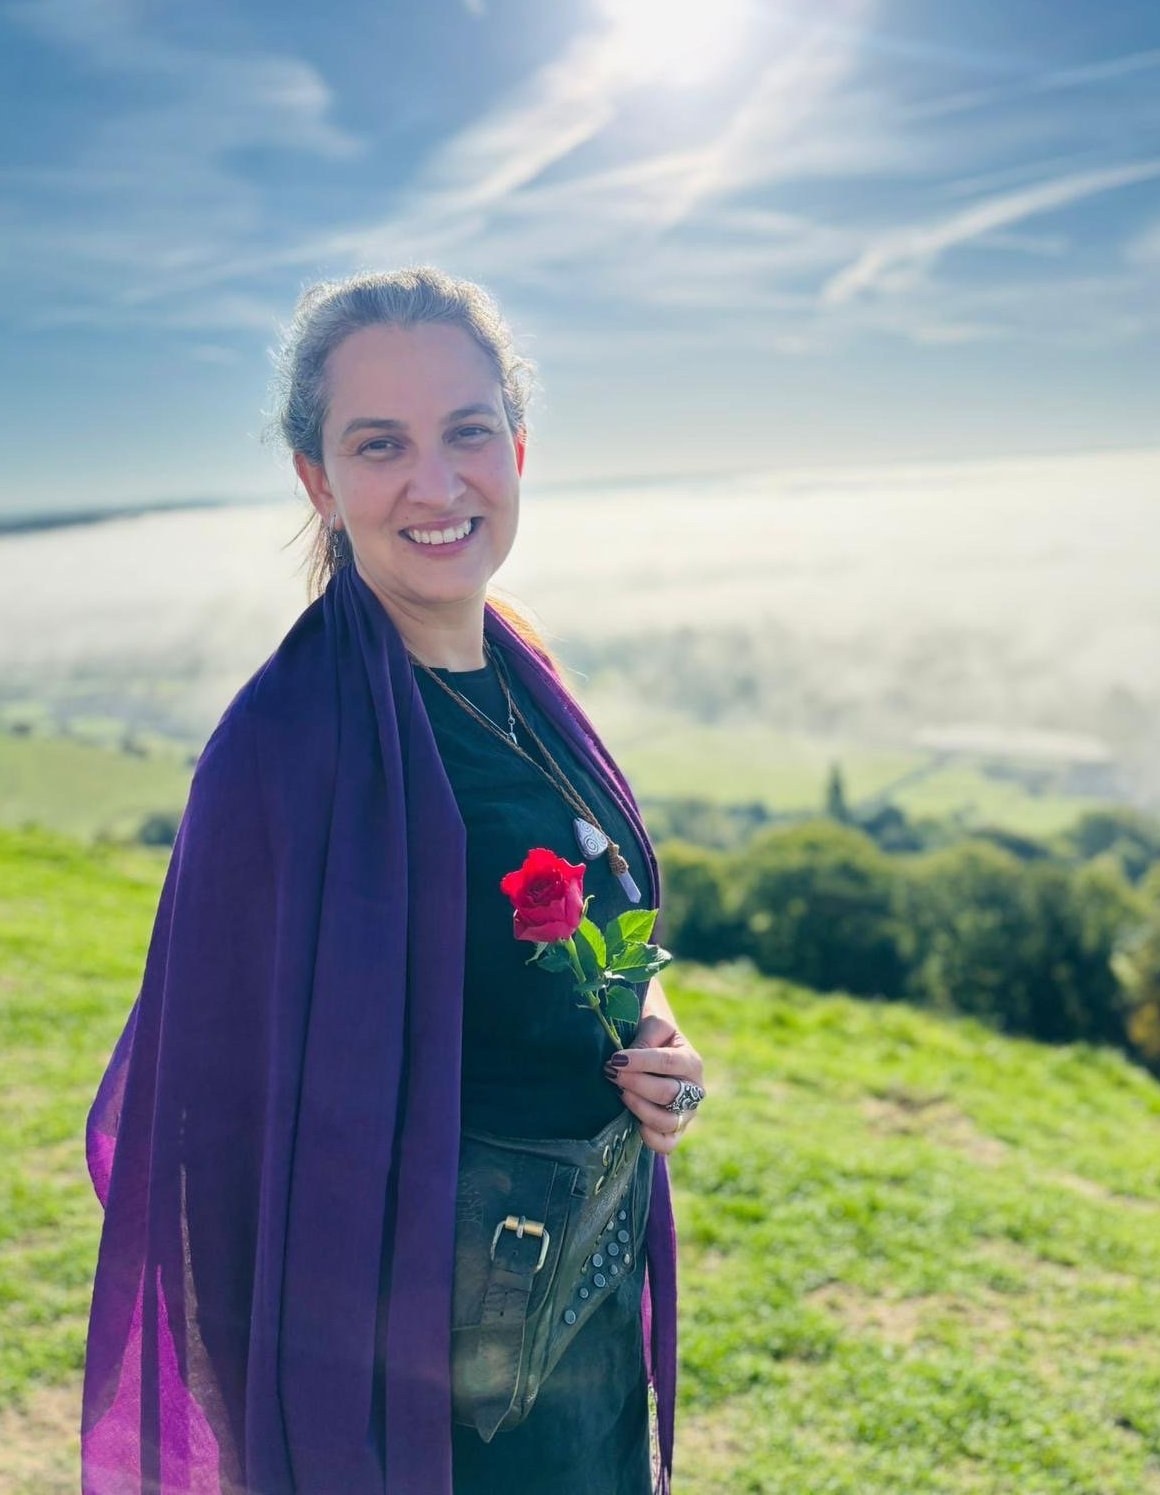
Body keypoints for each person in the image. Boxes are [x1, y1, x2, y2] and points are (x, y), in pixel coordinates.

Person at [81, 266, 705, 1495]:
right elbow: (215, 1149)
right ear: (318, 479)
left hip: (579, 1315)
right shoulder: (283, 750)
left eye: (467, 431)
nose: (436, 481)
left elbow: (598, 945)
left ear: (516, 447)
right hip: (414, 1397)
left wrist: (655, 1040)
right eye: (380, 444)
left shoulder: (524, 671)